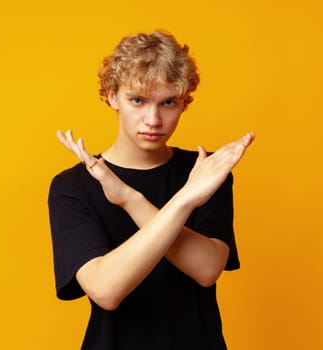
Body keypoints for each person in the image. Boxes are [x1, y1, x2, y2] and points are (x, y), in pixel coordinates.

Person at [48, 30, 255, 350]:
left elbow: (207, 269)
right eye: (138, 100)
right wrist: (186, 199)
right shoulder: (74, 186)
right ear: (112, 96)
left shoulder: (206, 173)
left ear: (184, 103)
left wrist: (131, 200)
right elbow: (106, 290)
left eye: (168, 102)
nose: (154, 119)